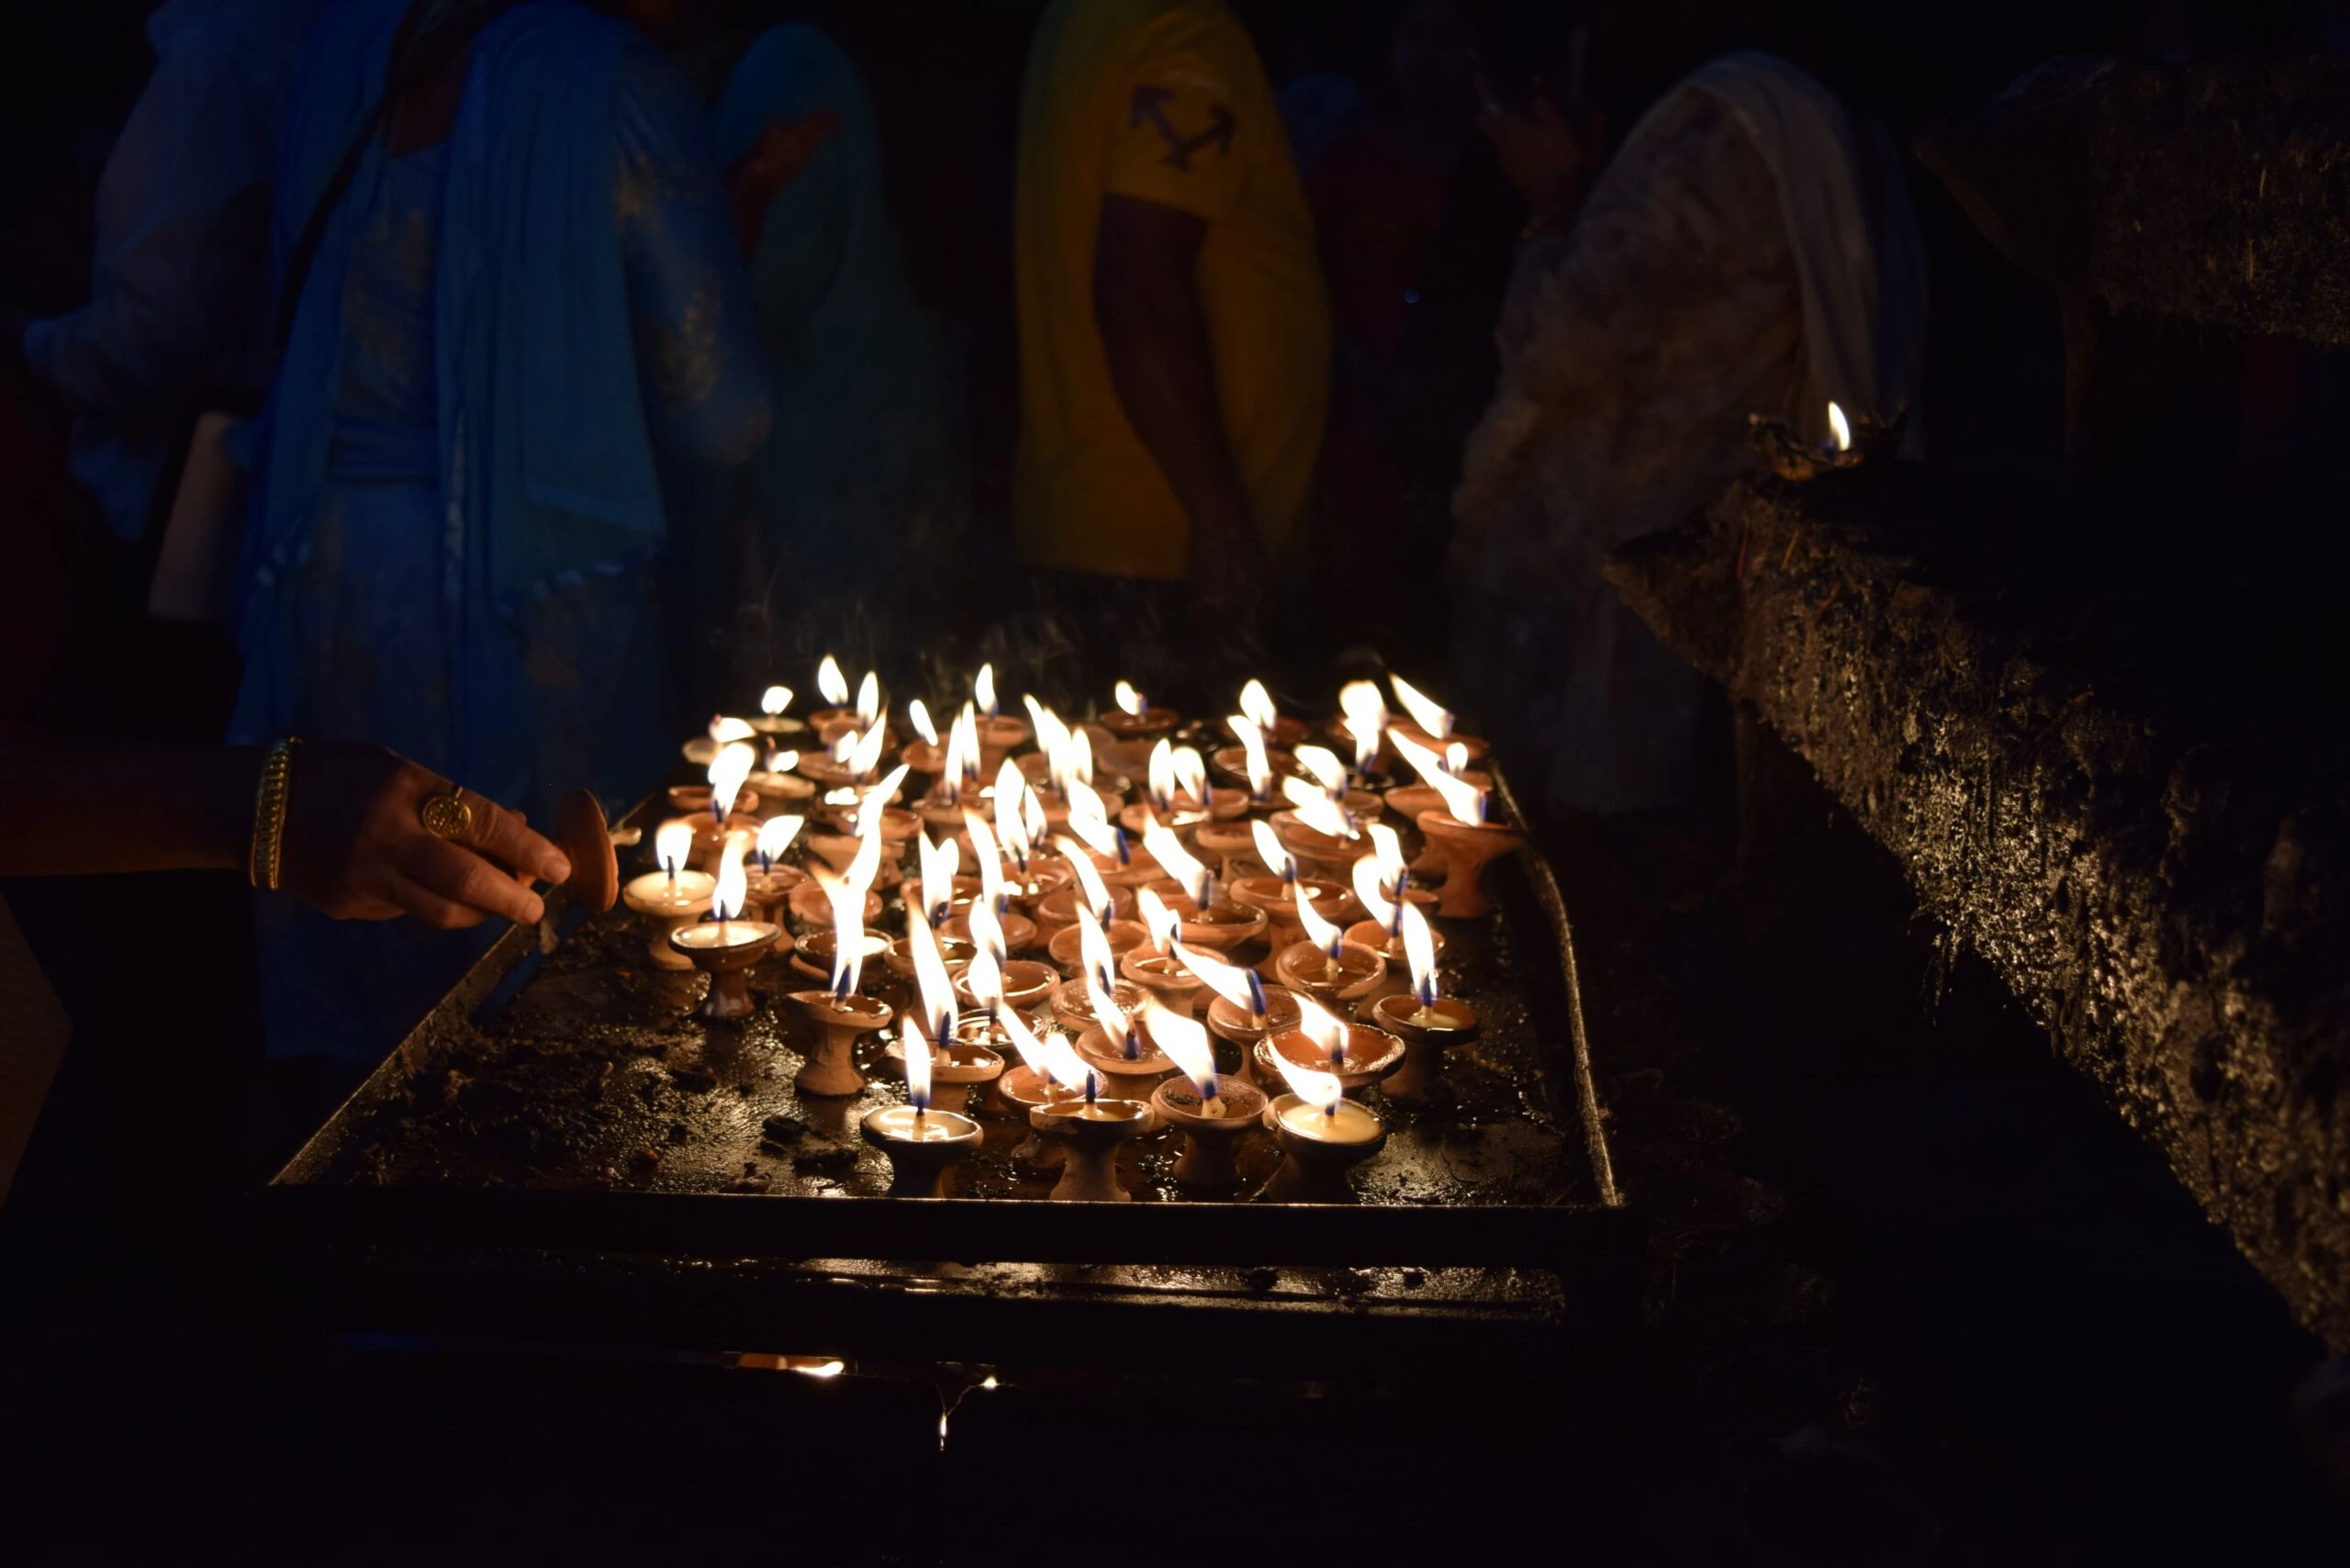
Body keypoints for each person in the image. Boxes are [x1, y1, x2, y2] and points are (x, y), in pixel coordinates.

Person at [230, 0, 774, 1071]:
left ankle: (329, 1230)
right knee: (535, 1002)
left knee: (352, 1010)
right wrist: (740, 214)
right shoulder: (607, 81)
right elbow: (724, 407)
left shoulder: (343, 43)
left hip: (320, 581)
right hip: (531, 607)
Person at [1448, 47, 1926, 816]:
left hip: (1629, 570)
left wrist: (1552, 200)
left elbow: (1559, 345)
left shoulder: (1719, 132)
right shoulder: (1761, 115)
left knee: (1571, 842)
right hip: (1662, 557)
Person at [1013, 0, 1330, 700]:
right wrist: (1219, 520)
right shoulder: (1182, 32)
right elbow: (1140, 289)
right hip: (1171, 547)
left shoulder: (1080, 20)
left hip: (1100, 527)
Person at [700, 19, 967, 680]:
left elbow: (769, 278)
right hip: (863, 445)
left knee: (810, 703)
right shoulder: (835, 61)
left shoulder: (793, 64)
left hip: (816, 456)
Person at [13, 0, 331, 546]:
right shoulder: (329, 41)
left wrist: (28, 345)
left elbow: (146, 346)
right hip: (277, 510)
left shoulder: (220, 63)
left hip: (162, 525)